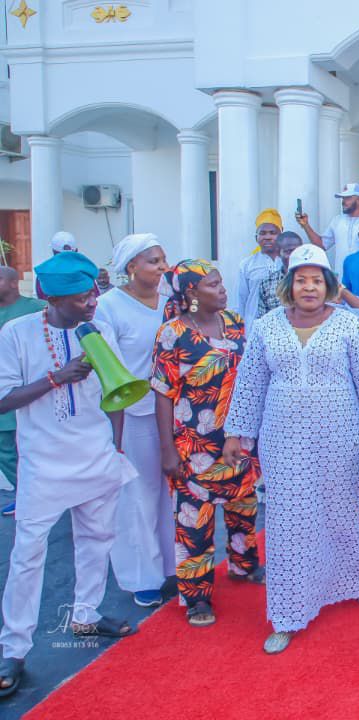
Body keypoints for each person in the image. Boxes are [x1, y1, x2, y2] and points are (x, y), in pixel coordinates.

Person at [223, 244, 359, 654]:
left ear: (330, 285)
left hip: (341, 435)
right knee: (288, 521)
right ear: (289, 285)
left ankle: (357, 581)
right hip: (282, 438)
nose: (309, 287)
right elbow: (250, 383)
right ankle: (288, 613)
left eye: (317, 280)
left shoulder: (350, 326)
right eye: (301, 280)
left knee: (342, 509)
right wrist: (236, 433)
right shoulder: (266, 327)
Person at [0, 252, 138, 698]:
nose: (94, 302)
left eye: (94, 292)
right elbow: (2, 400)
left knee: (97, 539)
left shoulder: (96, 331)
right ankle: (14, 649)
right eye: (83, 298)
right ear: (55, 300)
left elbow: (116, 393)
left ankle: (87, 614)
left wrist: (114, 446)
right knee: (27, 555)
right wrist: (56, 378)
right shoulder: (16, 334)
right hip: (43, 464)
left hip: (96, 455)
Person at [152, 259, 260, 628]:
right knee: (194, 523)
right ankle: (197, 597)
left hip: (239, 436)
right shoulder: (173, 332)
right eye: (213, 284)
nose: (222, 288)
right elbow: (163, 393)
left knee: (243, 508)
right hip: (193, 443)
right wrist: (167, 449)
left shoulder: (234, 322)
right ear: (192, 293)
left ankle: (244, 565)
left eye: (220, 281)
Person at [94, 234, 173, 609]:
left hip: (174, 413)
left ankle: (173, 567)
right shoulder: (108, 307)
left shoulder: (171, 303)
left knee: (170, 493)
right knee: (139, 495)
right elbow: (107, 371)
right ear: (131, 267)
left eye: (162, 260)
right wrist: (115, 430)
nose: (162, 267)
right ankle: (143, 576)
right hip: (136, 413)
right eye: (154, 261)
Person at [0, 267, 45, 514]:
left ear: (13, 282)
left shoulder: (36, 308)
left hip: (33, 388)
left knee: (34, 447)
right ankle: (24, 496)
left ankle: (45, 495)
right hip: (4, 391)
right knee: (5, 449)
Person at [296, 182, 359, 277]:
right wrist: (306, 225)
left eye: (347, 198)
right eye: (343, 198)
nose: (343, 201)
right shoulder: (337, 221)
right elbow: (322, 245)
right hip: (342, 279)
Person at [236, 208, 282, 323]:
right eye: (262, 233)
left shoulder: (290, 261)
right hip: (255, 325)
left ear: (281, 234)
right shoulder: (247, 265)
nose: (267, 237)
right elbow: (240, 300)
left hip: (287, 325)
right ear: (256, 237)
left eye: (272, 233)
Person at [256, 231, 303, 319]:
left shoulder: (315, 280)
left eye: (298, 251)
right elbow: (263, 319)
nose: (294, 255)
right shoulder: (267, 283)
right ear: (278, 253)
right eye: (288, 251)